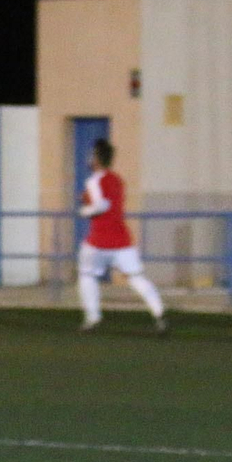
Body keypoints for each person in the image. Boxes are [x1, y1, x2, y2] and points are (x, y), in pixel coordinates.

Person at [77, 138, 168, 334]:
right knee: (136, 278)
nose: (89, 158)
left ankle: (93, 318)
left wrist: (84, 211)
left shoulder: (94, 180)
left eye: (91, 155)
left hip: (99, 241)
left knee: (87, 275)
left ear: (96, 158)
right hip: (122, 241)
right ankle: (159, 313)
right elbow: (109, 201)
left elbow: (102, 205)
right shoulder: (117, 180)